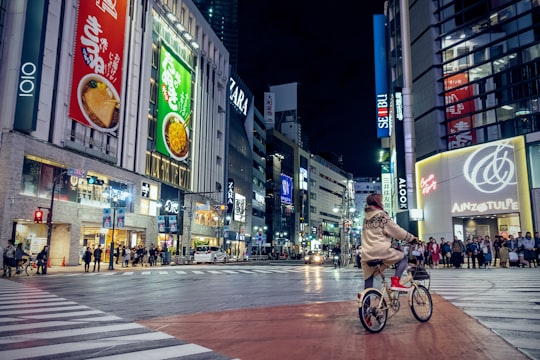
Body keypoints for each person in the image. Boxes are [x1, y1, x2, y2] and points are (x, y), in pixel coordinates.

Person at [360, 193, 417, 292]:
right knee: (403, 257)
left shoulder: (365, 219)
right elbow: (397, 231)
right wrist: (411, 238)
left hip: (366, 254)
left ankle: (366, 304)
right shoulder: (381, 216)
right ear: (378, 202)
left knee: (368, 280)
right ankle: (396, 282)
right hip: (381, 252)